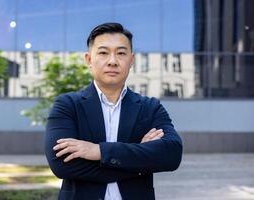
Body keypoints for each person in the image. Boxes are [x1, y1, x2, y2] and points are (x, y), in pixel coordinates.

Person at [45, 22, 182, 200]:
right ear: (88, 60)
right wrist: (140, 160)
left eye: (121, 53)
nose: (112, 61)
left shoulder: (150, 107)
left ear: (131, 60)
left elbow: (172, 155)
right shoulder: (68, 105)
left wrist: (99, 151)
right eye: (103, 52)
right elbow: (61, 165)